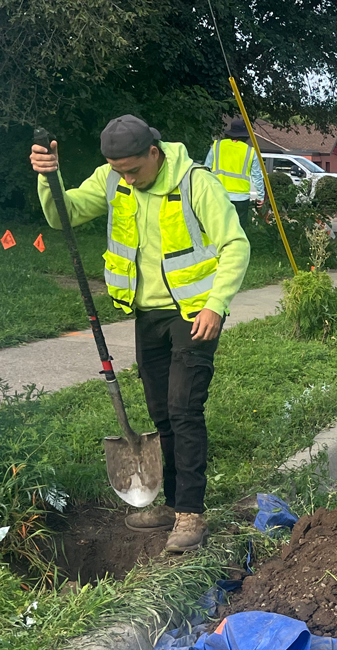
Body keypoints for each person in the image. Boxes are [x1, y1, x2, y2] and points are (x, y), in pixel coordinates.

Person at [30, 115, 250, 553]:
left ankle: (190, 513)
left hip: (193, 314)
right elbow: (63, 216)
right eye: (119, 171)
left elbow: (235, 244)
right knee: (161, 413)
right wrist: (47, 178)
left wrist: (216, 303)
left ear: (155, 151)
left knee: (183, 408)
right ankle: (169, 504)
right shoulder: (112, 178)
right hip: (146, 314)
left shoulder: (194, 181)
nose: (127, 178)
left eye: (133, 169)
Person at [204, 117, 265, 231]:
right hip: (241, 199)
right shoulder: (250, 151)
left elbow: (205, 170)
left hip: (218, 195)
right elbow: (257, 176)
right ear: (245, 136)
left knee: (216, 230)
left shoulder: (217, 146)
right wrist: (260, 197)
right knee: (237, 232)